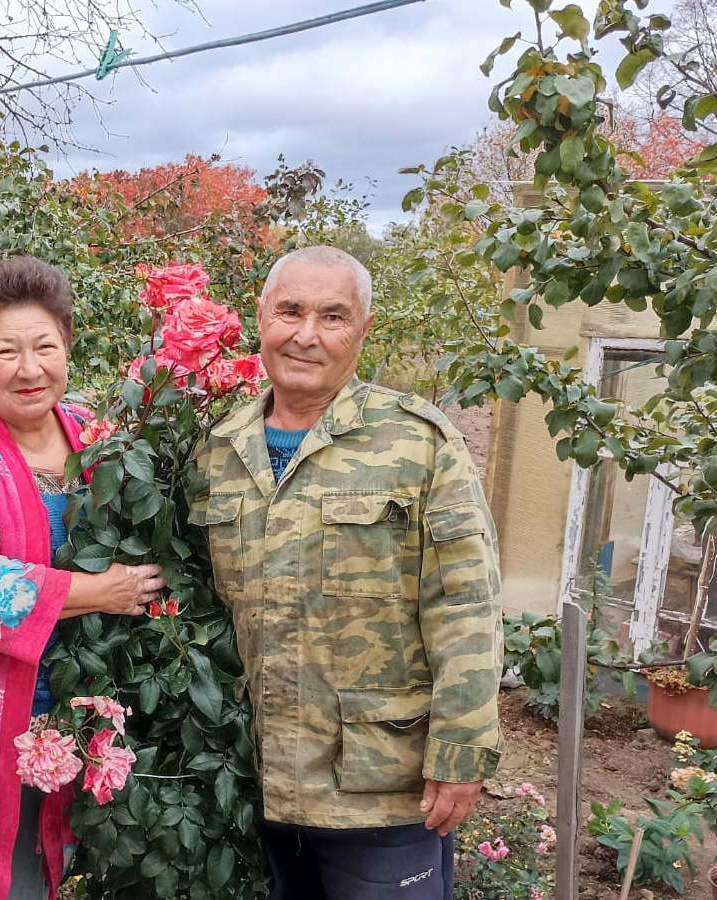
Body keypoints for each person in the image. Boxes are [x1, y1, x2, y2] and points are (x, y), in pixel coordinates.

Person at [192, 246, 503, 900]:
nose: (306, 334)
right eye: (290, 311)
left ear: (363, 330)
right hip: (255, 781)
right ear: (261, 317)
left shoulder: (418, 443)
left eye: (333, 317)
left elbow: (466, 607)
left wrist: (462, 751)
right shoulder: (218, 451)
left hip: (380, 789)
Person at [0, 257, 164, 900]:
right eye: (6, 351)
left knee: (41, 868)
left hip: (66, 700)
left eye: (45, 346)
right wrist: (103, 592)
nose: (30, 367)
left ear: (67, 346)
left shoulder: (94, 435)